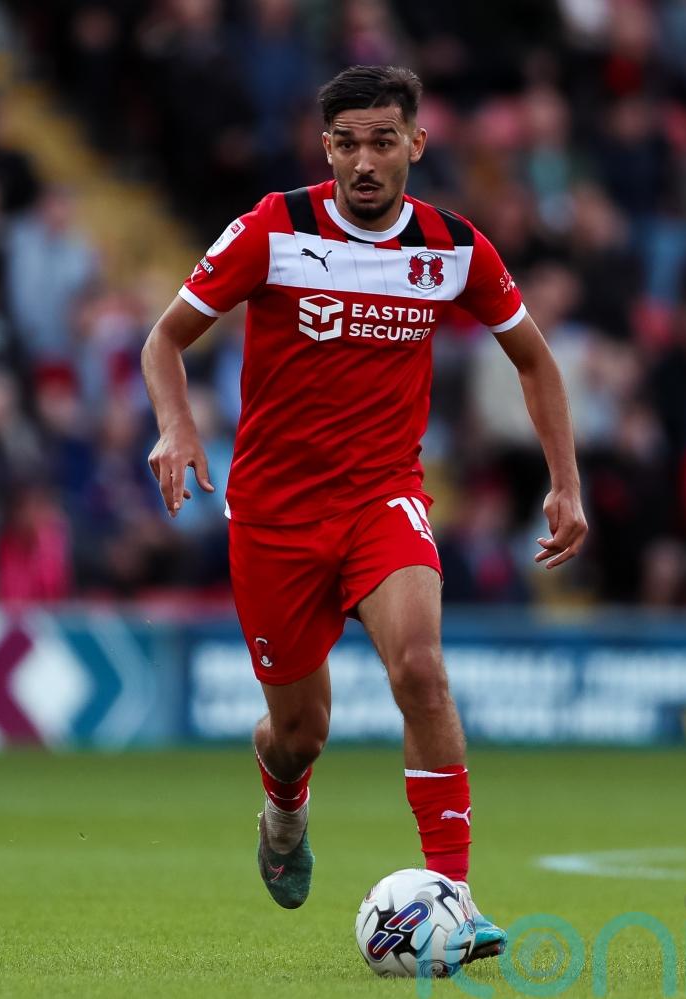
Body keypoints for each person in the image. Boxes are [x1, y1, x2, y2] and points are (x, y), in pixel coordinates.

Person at [142, 65, 587, 961]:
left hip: (384, 495)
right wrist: (178, 428)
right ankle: (282, 806)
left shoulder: (456, 248)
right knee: (300, 731)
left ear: (417, 143)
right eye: (347, 143)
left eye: (384, 140)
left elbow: (534, 361)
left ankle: (454, 897)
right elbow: (165, 339)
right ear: (327, 148)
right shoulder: (275, 228)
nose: (365, 161)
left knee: (421, 668)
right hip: (271, 514)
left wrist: (565, 481)